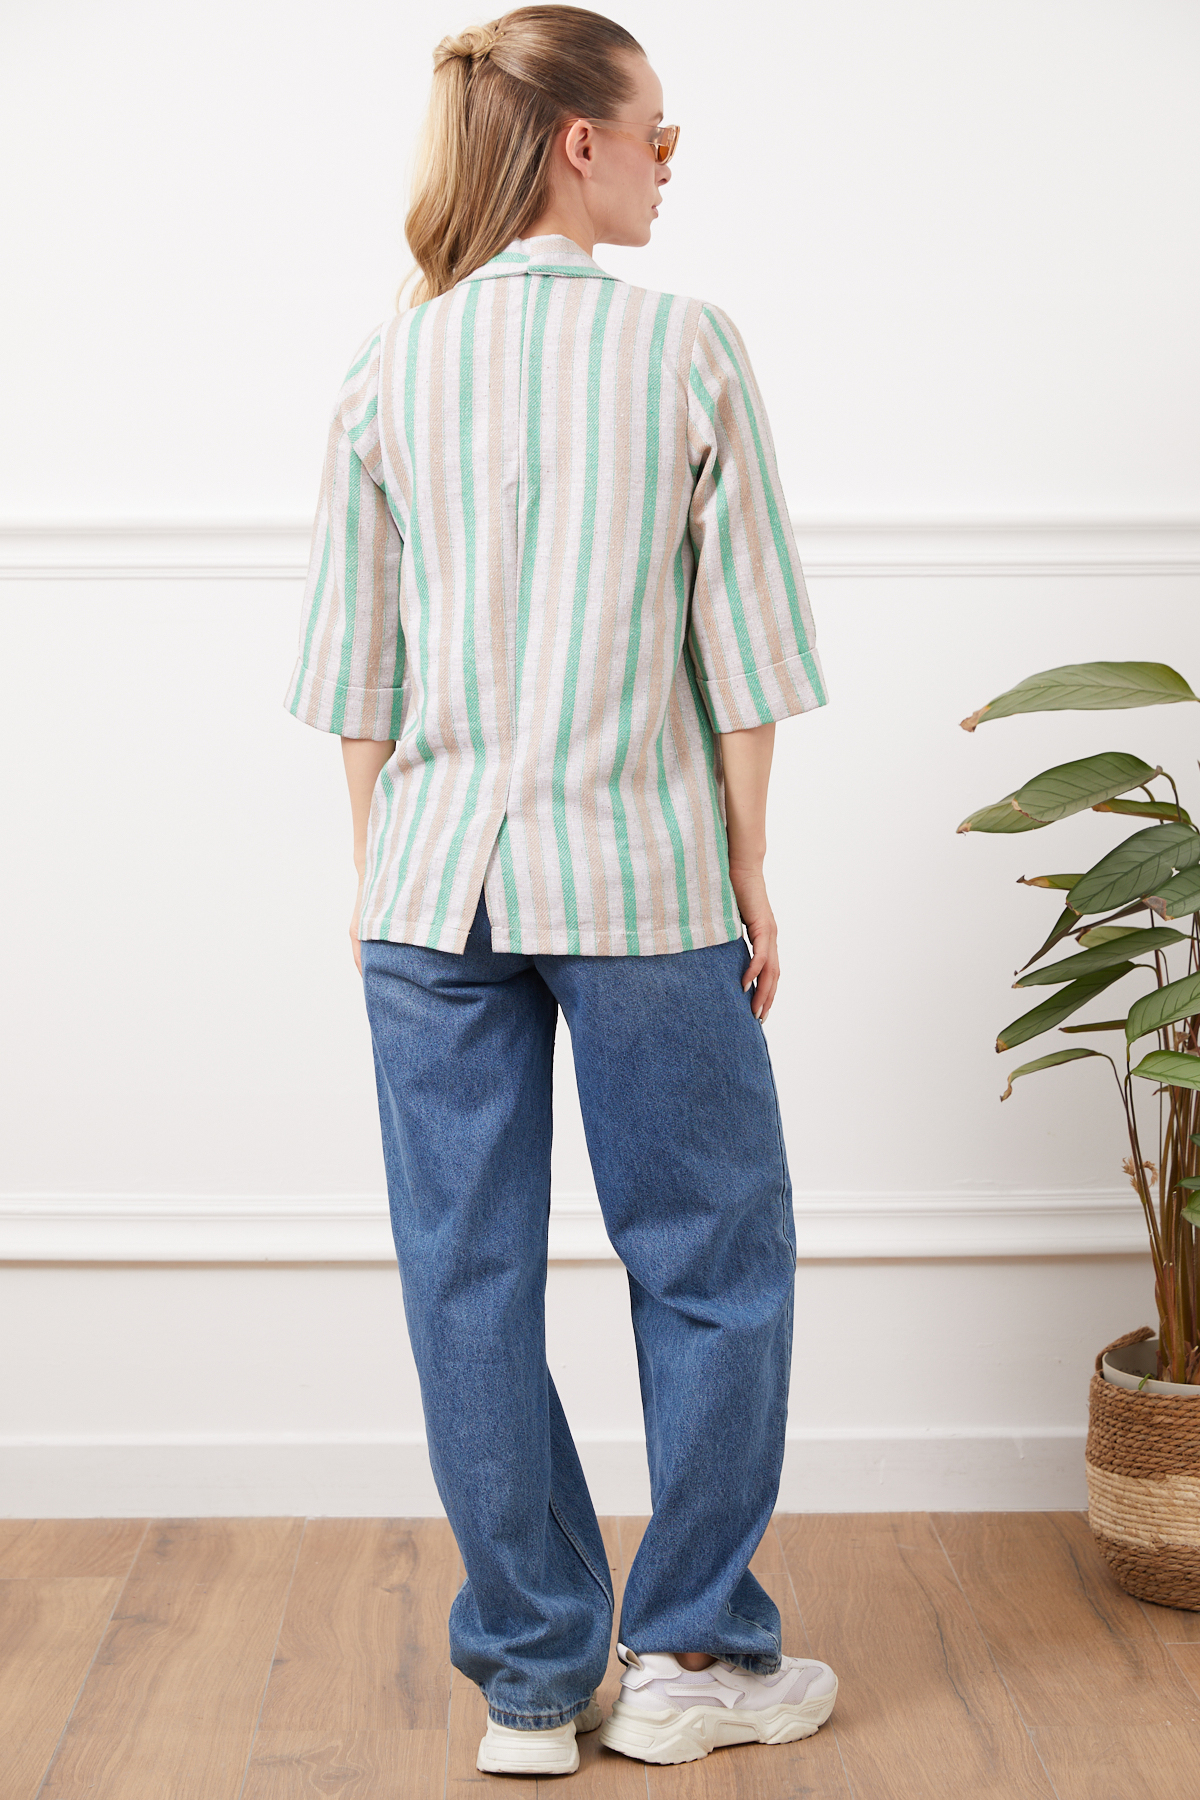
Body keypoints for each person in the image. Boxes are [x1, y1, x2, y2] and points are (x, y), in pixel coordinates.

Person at [284, 4, 837, 1776]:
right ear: (579, 141)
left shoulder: (389, 363)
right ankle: (691, 1654)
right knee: (713, 1260)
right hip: (643, 882)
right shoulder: (684, 349)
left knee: (464, 1279)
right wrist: (750, 867)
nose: (672, 167)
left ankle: (533, 1679)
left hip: (426, 891)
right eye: (659, 134)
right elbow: (745, 657)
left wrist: (385, 879)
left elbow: (357, 677)